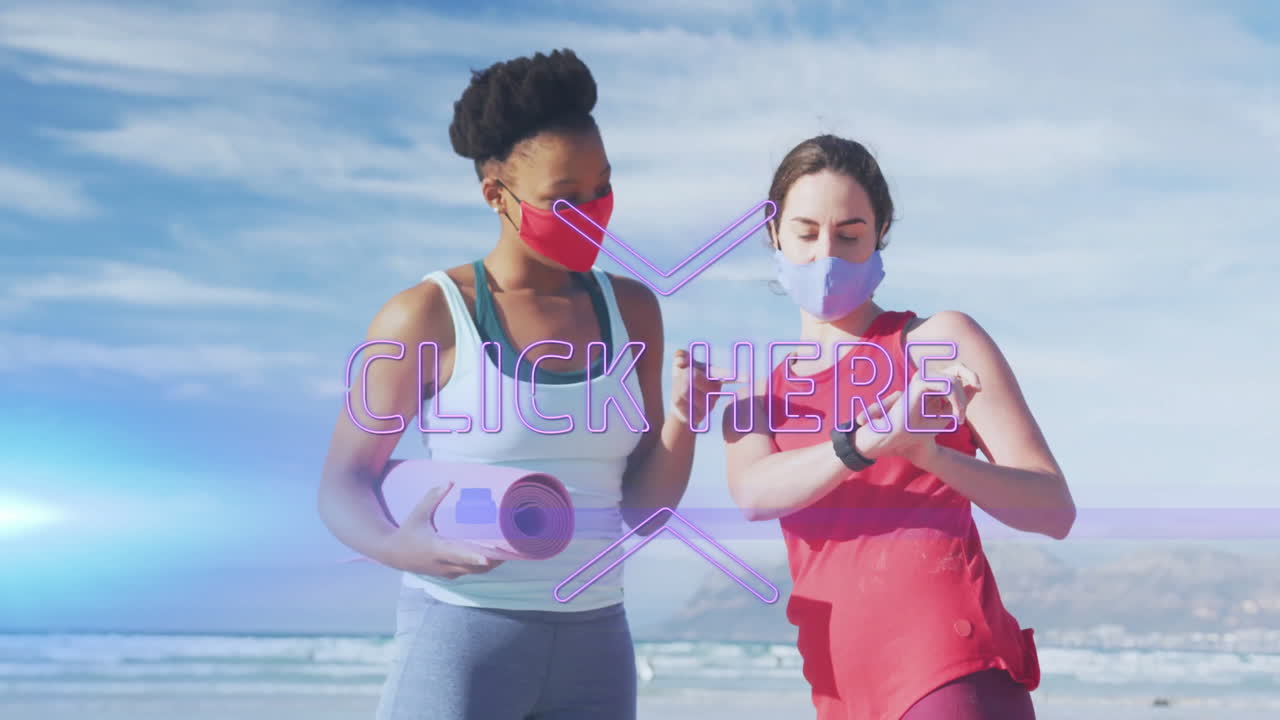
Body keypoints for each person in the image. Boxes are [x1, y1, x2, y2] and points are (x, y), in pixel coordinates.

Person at [317, 49, 723, 720]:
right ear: (495, 196)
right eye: (564, 199)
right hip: (463, 642)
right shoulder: (426, 314)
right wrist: (398, 546)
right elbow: (341, 483)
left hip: (598, 642)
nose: (592, 213)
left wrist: (684, 422)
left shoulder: (634, 311)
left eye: (603, 188)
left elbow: (641, 508)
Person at [723, 134, 1076, 720]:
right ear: (773, 234)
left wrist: (931, 454)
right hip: (839, 690)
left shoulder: (938, 341)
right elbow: (754, 495)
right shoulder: (755, 392)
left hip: (950, 674)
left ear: (880, 231)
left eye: (850, 234)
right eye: (807, 233)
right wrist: (868, 439)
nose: (826, 255)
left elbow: (1053, 509)